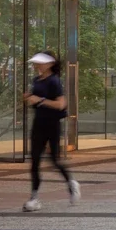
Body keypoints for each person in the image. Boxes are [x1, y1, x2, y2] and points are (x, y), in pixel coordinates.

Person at [23, 51, 80, 212]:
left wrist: (39, 100)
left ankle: (71, 183)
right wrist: (30, 99)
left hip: (52, 125)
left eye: (40, 63)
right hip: (38, 124)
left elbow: (61, 105)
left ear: (49, 64)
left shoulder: (54, 81)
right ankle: (34, 198)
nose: (37, 65)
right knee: (34, 161)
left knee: (54, 160)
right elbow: (37, 102)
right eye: (36, 63)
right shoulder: (36, 80)